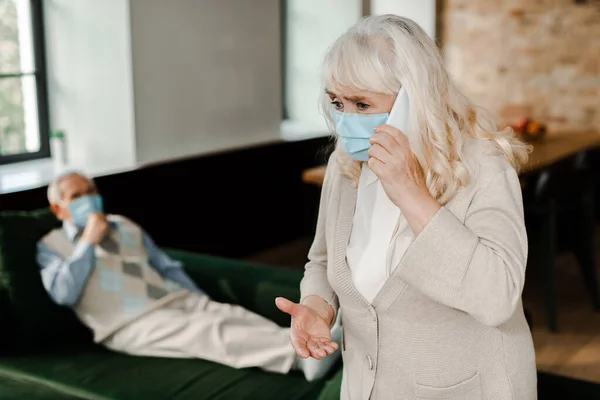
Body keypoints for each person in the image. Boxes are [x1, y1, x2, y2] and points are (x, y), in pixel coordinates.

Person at [276, 14, 537, 399]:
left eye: (362, 104)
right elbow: (322, 259)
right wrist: (319, 308)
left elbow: (498, 297)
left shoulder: (481, 164)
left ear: (415, 97)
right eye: (337, 102)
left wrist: (410, 192)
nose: (346, 121)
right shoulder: (345, 163)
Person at [37, 171, 341, 381]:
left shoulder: (124, 224)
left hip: (173, 297)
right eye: (77, 195)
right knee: (207, 333)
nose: (88, 198)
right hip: (128, 323)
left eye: (91, 191)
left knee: (226, 315)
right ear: (58, 208)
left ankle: (308, 343)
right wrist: (88, 242)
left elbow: (165, 266)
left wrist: (196, 298)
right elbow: (63, 292)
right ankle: (301, 361)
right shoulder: (52, 246)